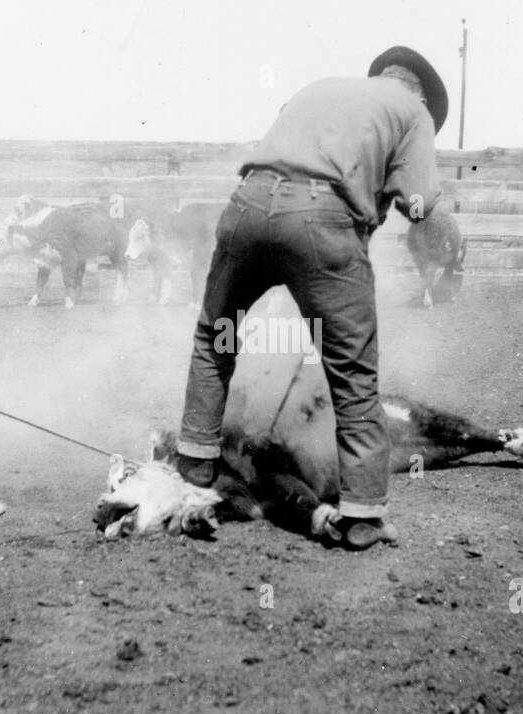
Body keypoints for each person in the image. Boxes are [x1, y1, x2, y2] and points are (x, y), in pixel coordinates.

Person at [175, 45, 448, 551]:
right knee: (353, 372)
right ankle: (364, 514)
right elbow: (419, 203)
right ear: (422, 95)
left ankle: (193, 465)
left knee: (215, 338)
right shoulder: (414, 113)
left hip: (247, 207)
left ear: (385, 74)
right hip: (322, 221)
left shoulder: (320, 88)